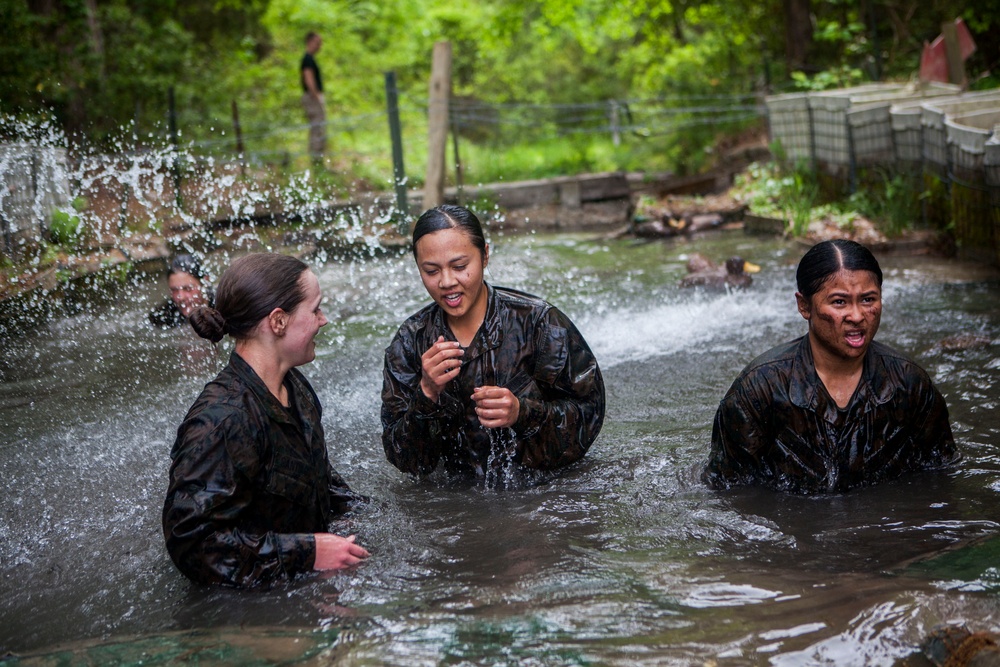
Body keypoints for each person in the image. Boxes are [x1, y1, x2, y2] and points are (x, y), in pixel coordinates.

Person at [163, 253, 369, 587]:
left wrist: (372, 517)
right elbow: (191, 544)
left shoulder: (294, 387)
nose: (324, 319)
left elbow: (316, 481)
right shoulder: (222, 420)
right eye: (315, 309)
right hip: (245, 615)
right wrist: (306, 553)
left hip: (305, 580)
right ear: (278, 321)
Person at [702, 239, 959, 494]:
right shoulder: (760, 388)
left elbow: (942, 475)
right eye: (839, 302)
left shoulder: (909, 383)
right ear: (804, 305)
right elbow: (729, 491)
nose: (857, 316)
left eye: (868, 299)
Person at [381, 204, 605, 483]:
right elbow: (404, 459)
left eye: (460, 266)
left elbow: (589, 415)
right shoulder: (410, 341)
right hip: (454, 505)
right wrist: (426, 394)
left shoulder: (539, 324)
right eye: (431, 271)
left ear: (485, 255)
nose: (447, 282)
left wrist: (522, 413)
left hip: (539, 496)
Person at [148, 254, 213, 328]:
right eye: (174, 290)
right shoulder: (162, 317)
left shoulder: (222, 308)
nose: (181, 297)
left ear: (205, 281)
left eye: (188, 288)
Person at [300, 31, 326, 165]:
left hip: (313, 96)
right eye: (317, 43)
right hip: (312, 97)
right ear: (310, 42)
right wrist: (316, 96)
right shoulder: (308, 60)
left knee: (319, 127)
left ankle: (317, 158)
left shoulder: (310, 59)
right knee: (317, 127)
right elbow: (308, 78)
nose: (319, 46)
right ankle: (316, 159)